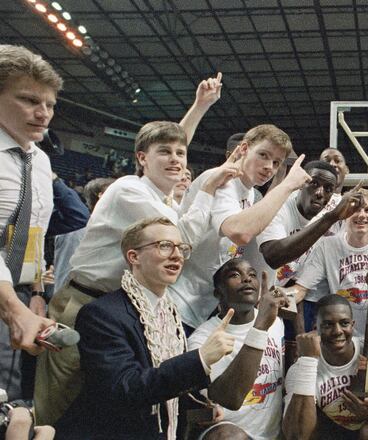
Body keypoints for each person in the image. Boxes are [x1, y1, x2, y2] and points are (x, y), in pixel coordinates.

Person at [36, 120, 239, 425]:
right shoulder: (128, 189)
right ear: (142, 158)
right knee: (57, 405)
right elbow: (182, 238)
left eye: (180, 153)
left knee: (110, 407)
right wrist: (208, 188)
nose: (175, 159)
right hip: (82, 305)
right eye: (165, 152)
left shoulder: (164, 200)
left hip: (122, 310)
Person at [55, 217, 236, 439]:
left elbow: (164, 383)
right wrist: (200, 359)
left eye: (181, 248)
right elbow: (125, 389)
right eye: (165, 246)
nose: (177, 255)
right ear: (134, 256)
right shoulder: (101, 314)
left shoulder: (170, 312)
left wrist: (197, 404)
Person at [169, 124, 310, 333]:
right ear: (244, 149)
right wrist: (287, 186)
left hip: (203, 305)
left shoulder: (250, 193)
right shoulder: (223, 179)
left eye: (276, 162)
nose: (268, 167)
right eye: (263, 155)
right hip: (176, 300)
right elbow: (239, 232)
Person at [0, 45, 59, 404]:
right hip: (7, 300)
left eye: (50, 104)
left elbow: (35, 231)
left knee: (13, 401)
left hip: (20, 298)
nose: (43, 114)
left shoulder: (40, 160)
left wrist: (35, 294)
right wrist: (12, 306)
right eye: (28, 100)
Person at [187, 258, 290, 440]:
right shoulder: (202, 339)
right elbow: (230, 400)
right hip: (231, 431)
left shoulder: (276, 322)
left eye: (252, 275)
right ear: (218, 293)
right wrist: (260, 327)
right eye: (235, 275)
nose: (247, 279)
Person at [258, 161, 361, 332]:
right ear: (300, 184)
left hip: (271, 297)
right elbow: (273, 256)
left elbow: (361, 205)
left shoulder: (326, 210)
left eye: (328, 188)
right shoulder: (278, 207)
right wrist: (330, 218)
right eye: (313, 184)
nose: (320, 193)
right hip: (241, 297)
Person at [283, 294, 368, 440]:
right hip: (333, 430)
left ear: (353, 325)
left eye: (344, 323)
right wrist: (308, 362)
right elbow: (294, 435)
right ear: (315, 328)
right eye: (328, 325)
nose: (338, 331)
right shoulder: (302, 367)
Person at [292, 189, 368, 337]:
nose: (361, 215)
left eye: (367, 210)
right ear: (345, 214)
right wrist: (278, 296)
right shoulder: (327, 246)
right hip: (343, 337)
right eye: (355, 209)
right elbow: (301, 289)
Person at [53, 177, 115, 293]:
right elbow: (65, 275)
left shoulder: (107, 232)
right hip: (71, 304)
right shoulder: (77, 231)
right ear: (102, 196)